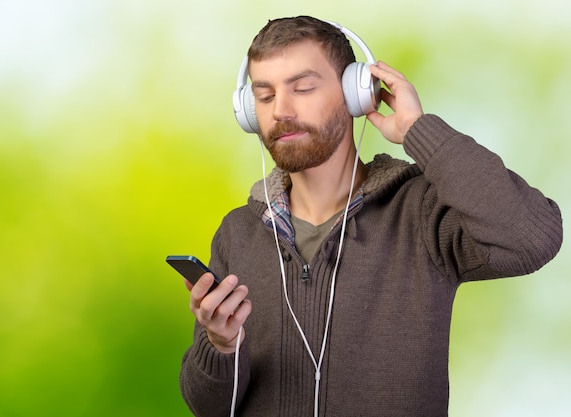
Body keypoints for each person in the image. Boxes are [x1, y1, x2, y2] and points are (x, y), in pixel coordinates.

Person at [178, 15, 563, 417]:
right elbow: (209, 407)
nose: (282, 111)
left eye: (303, 88)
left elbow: (533, 237)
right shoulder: (237, 233)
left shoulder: (421, 213)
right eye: (265, 96)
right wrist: (220, 346)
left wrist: (418, 130)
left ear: (354, 94)